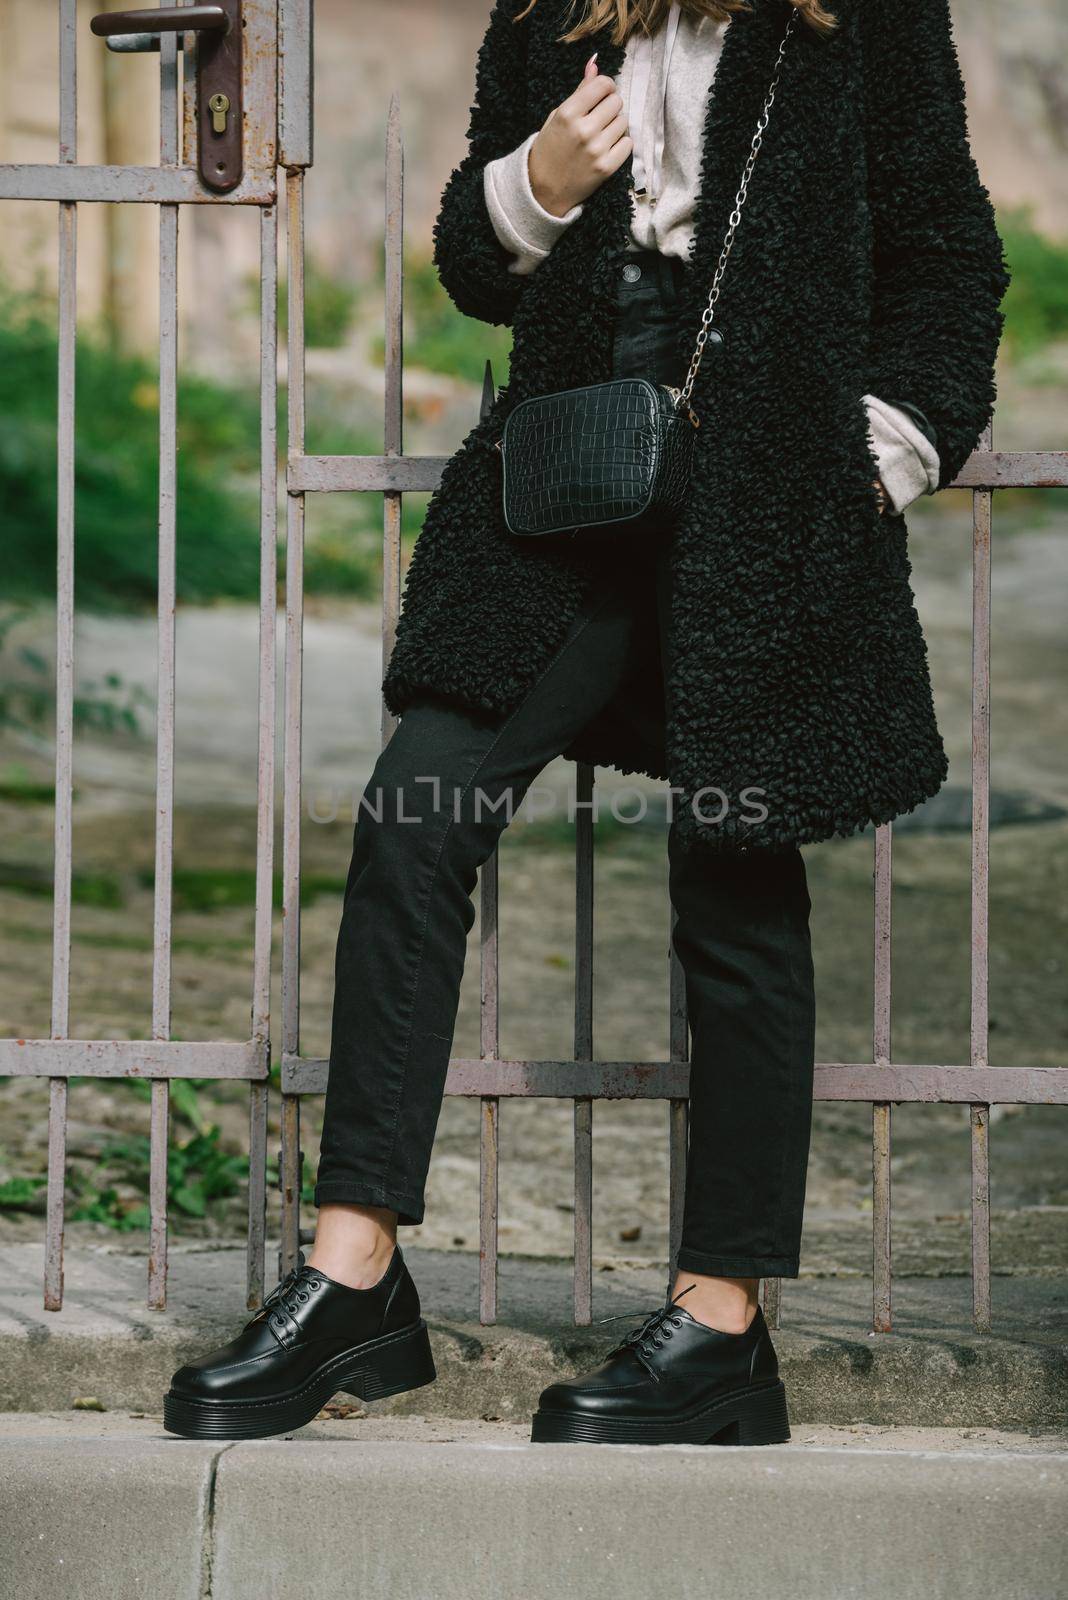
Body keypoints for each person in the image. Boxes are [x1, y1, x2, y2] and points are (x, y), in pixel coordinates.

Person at [164, 0, 1008, 1445]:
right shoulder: (554, 12)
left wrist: (872, 462)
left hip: (767, 490)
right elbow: (473, 270)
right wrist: (538, 180)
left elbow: (945, 258)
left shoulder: (860, 17)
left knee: (734, 872)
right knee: (415, 813)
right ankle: (356, 1273)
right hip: (567, 475)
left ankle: (723, 1322)